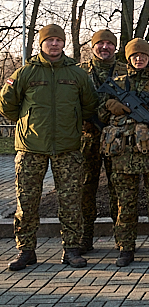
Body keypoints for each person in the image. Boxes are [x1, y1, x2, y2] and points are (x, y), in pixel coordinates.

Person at [0, 24, 98, 271]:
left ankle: (72, 250)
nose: (54, 44)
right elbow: (6, 103)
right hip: (30, 147)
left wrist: (75, 123)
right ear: (41, 44)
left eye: (58, 40)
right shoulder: (26, 72)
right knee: (27, 201)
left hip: (68, 147)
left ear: (63, 43)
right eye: (49, 40)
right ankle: (26, 251)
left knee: (70, 200)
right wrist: (27, 122)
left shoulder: (76, 74)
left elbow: (89, 105)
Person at [98, 38, 149, 267]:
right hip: (123, 156)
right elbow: (100, 114)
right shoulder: (117, 84)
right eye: (134, 56)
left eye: (143, 55)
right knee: (125, 204)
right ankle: (125, 248)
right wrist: (112, 107)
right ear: (128, 58)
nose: (139, 59)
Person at [79, 29, 127, 253]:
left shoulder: (126, 72)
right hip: (87, 139)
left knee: (118, 186)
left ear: (115, 48)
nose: (105, 47)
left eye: (109, 44)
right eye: (100, 44)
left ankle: (122, 237)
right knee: (85, 187)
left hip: (116, 139)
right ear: (93, 46)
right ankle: (84, 237)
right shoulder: (79, 73)